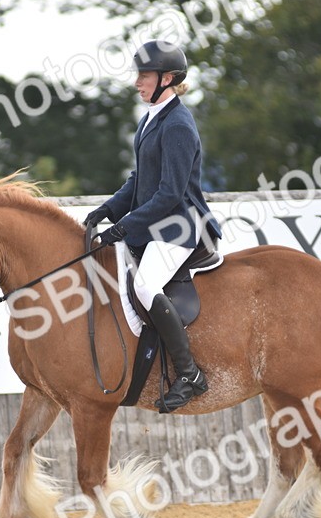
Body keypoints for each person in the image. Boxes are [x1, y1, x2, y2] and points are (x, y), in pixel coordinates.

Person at [83, 39, 223, 413]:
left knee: (145, 286)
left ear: (168, 78)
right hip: (159, 221)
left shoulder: (177, 124)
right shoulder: (151, 118)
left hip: (179, 224)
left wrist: (125, 226)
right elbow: (139, 179)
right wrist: (107, 210)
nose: (137, 83)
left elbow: (169, 193)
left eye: (143, 76)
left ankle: (189, 373)